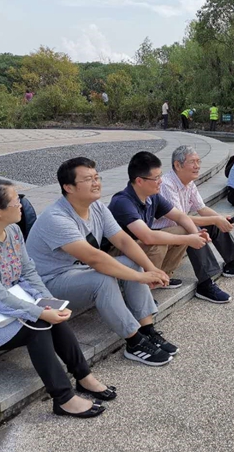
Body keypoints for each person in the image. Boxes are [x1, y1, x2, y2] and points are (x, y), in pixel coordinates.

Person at [0, 179, 111, 419]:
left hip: (5, 307)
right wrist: (40, 312)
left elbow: (28, 272)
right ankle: (64, 399)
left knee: (49, 317)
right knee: (38, 324)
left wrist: (48, 302)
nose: (22, 205)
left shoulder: (12, 231)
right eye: (16, 202)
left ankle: (84, 376)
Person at [26, 157, 178, 367]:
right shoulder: (56, 218)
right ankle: (134, 342)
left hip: (78, 272)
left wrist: (150, 268)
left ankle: (147, 330)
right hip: (50, 284)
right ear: (68, 187)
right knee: (103, 280)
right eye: (88, 179)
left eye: (97, 177)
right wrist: (140, 277)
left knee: (132, 262)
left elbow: (123, 240)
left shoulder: (96, 206)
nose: (96, 183)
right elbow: (94, 258)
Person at [108, 151, 234, 304]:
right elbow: (147, 237)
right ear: (139, 181)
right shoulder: (123, 202)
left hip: (137, 245)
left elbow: (181, 217)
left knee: (185, 229)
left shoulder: (152, 196)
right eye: (156, 178)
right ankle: (140, 293)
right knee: (158, 244)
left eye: (160, 176)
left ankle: (163, 277)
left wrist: (196, 234)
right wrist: (189, 239)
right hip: (115, 253)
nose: (160, 181)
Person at [153, 145, 234, 280]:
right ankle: (206, 282)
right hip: (162, 230)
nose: (197, 166)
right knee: (192, 229)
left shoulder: (189, 182)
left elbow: (202, 209)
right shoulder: (167, 184)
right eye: (192, 162)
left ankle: (232, 264)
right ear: (177, 165)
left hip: (178, 224)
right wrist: (215, 219)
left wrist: (220, 219)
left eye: (198, 161)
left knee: (214, 222)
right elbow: (180, 218)